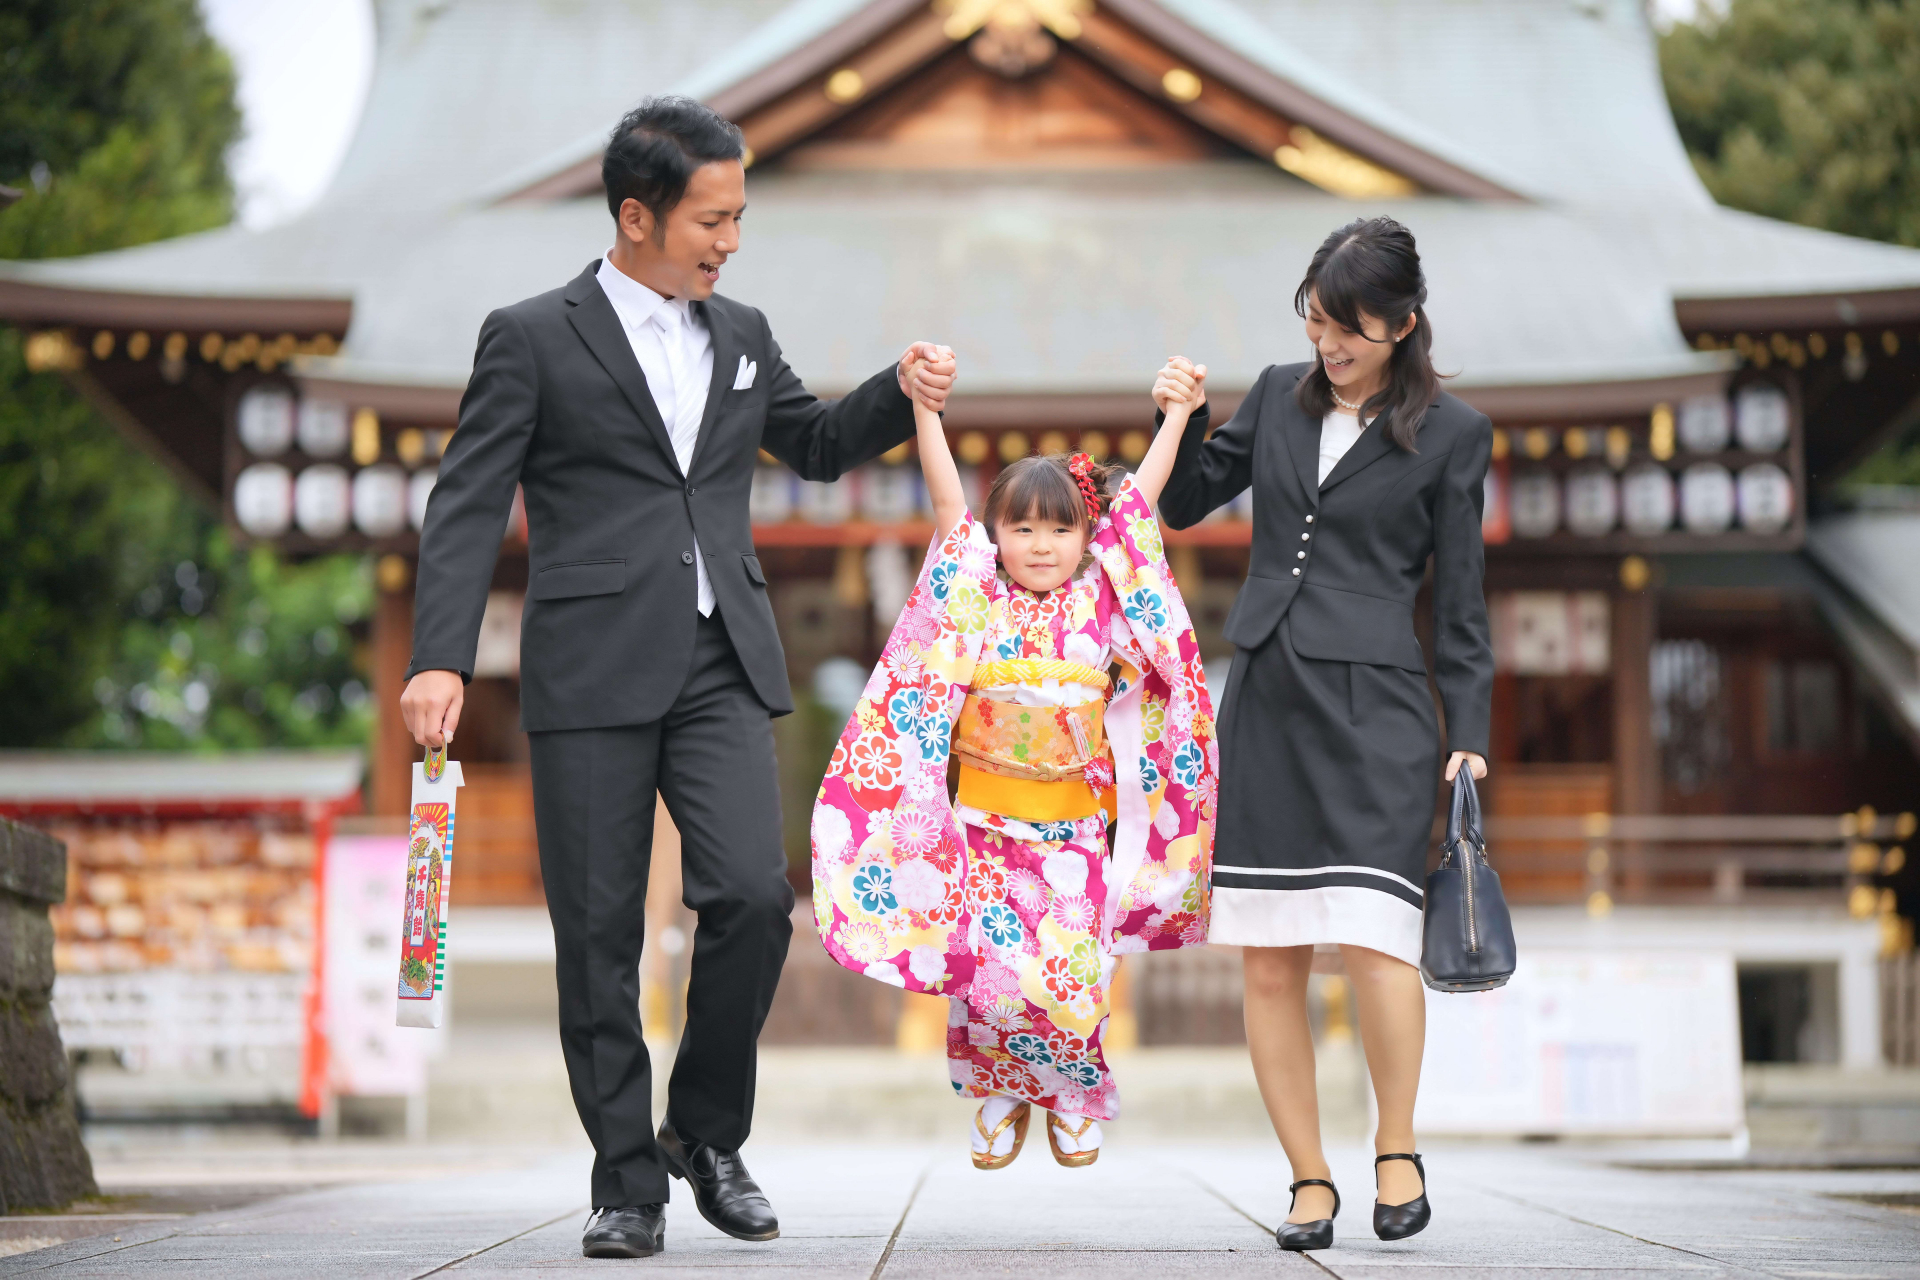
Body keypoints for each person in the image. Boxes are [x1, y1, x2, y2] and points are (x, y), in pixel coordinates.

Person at [399, 96, 957, 1261]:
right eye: (713, 218)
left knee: (754, 895)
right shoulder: (531, 334)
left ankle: (703, 1131)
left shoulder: (740, 330)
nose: (731, 240)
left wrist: (899, 391)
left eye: (740, 215)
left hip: (720, 658)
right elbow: (464, 499)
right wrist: (439, 653)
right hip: (590, 664)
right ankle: (624, 1180)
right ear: (638, 214)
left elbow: (807, 441)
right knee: (599, 934)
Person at [1151, 217, 1492, 1250]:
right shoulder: (1274, 396)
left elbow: (1464, 600)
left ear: (1403, 323)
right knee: (1267, 954)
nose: (1328, 342)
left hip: (1382, 707)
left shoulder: (1454, 432)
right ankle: (1308, 1177)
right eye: (1316, 318)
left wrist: (1466, 729)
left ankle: (1395, 1146)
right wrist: (1179, 414)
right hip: (1265, 693)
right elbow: (1177, 506)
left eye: (1349, 326)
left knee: (1377, 938)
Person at [809, 355, 1217, 1171]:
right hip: (985, 821)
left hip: (1072, 825)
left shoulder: (1103, 592)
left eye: (1060, 529)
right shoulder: (977, 590)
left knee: (1070, 969)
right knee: (992, 970)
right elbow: (945, 497)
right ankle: (996, 1093)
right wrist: (926, 411)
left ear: (1084, 536)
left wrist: (1176, 413)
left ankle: (1073, 1095)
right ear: (996, 535)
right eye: (1022, 528)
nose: (1040, 545)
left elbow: (1138, 500)